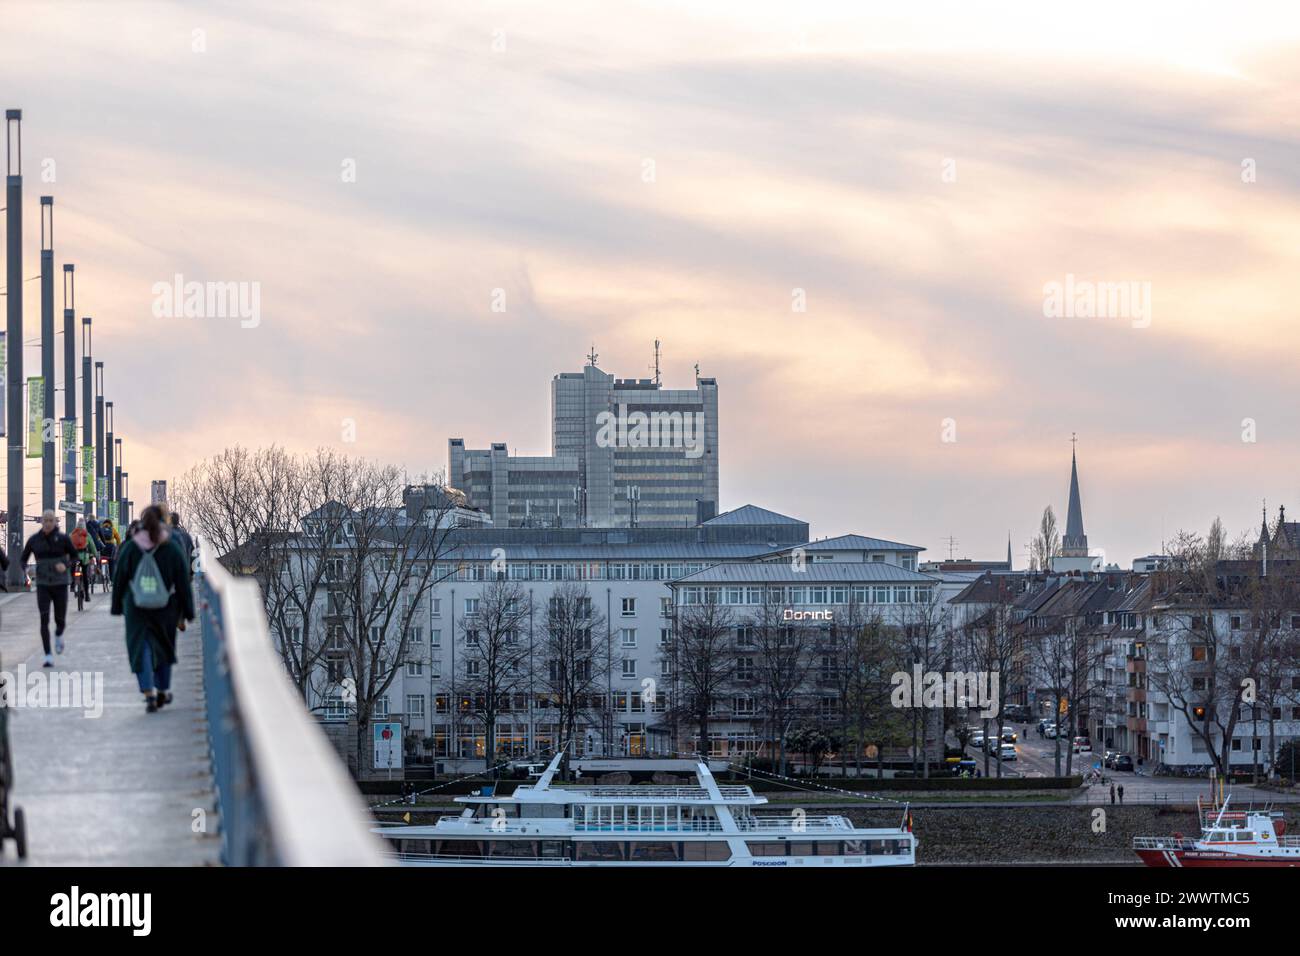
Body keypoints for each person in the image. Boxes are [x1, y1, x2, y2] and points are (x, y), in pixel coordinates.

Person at [111, 505, 195, 713]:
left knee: (140, 646)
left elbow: (120, 576)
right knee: (164, 646)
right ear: (164, 522)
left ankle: (148, 691)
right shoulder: (171, 546)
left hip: (136, 605)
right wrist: (188, 610)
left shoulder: (131, 546)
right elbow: (182, 581)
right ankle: (163, 690)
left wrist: (116, 605)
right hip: (165, 605)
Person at [21, 510, 77, 665]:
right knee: (44, 619)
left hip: (60, 583)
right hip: (43, 584)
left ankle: (59, 634)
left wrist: (65, 565)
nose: (47, 523)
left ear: (55, 522)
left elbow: (74, 556)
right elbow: (23, 558)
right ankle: (48, 655)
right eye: (45, 520)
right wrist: (24, 568)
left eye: (51, 520)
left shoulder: (63, 539)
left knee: (61, 619)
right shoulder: (34, 540)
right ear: (42, 522)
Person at [69, 518, 98, 605]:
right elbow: (92, 547)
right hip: (84, 558)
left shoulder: (72, 534)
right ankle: (87, 595)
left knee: (73, 570)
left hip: (74, 558)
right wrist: (95, 555)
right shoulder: (87, 535)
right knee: (85, 575)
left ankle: (72, 584)